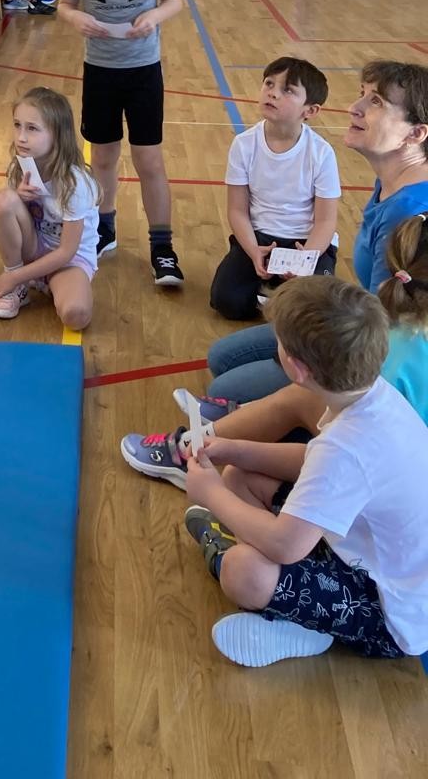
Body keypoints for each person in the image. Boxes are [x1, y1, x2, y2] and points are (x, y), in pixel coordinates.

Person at [181, 276, 428, 667]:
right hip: (360, 551)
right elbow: (316, 465)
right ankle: (289, 599)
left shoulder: (348, 446)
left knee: (243, 572)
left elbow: (285, 545)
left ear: (297, 368)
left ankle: (302, 624)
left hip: (389, 616)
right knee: (239, 476)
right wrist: (236, 450)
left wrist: (209, 493)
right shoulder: (370, 397)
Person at [120, 212, 428, 488]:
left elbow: (345, 460)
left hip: (380, 468)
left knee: (272, 424)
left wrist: (228, 469)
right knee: (226, 360)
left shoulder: (396, 351)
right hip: (374, 445)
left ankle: (197, 448)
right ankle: (226, 429)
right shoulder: (397, 335)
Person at [198, 60, 428, 404]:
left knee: (224, 390)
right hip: (367, 327)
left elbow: (384, 336)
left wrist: (306, 360)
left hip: (379, 364)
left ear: (415, 134)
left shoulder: (408, 211)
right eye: (362, 94)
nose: (354, 108)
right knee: (222, 357)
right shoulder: (391, 184)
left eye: (376, 102)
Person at [59, 0, 185, 287]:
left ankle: (162, 247)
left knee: (150, 161)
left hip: (143, 72)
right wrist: (75, 18)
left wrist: (155, 16)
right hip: (101, 72)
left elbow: (175, 0)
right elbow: (65, 5)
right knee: (103, 158)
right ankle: (105, 228)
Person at [208, 58, 340, 321]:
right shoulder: (244, 145)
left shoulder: (321, 153)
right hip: (260, 239)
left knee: (319, 312)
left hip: (307, 243)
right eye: (269, 84)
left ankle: (280, 293)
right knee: (226, 301)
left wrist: (305, 260)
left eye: (287, 90)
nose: (273, 93)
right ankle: (275, 294)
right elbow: (237, 210)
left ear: (310, 110)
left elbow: (326, 221)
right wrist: (253, 250)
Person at [0, 88, 99, 329]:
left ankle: (34, 280)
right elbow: (12, 217)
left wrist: (13, 277)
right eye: (17, 125)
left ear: (57, 135)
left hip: (68, 260)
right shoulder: (21, 167)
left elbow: (66, 251)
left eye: (32, 128)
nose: (21, 137)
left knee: (76, 315)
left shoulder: (75, 183)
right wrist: (20, 198)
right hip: (35, 250)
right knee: (4, 200)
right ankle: (20, 289)